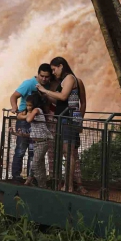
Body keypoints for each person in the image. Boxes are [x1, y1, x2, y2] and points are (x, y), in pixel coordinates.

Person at [37, 57, 87, 193]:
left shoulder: (70, 78)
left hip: (68, 120)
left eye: (54, 69)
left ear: (61, 66)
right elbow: (61, 101)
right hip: (64, 119)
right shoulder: (64, 81)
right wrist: (45, 95)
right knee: (66, 151)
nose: (53, 72)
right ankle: (65, 184)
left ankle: (69, 186)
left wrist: (78, 120)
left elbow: (64, 97)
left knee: (69, 152)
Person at [9, 63, 52, 182]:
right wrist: (14, 107)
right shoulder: (29, 84)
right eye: (42, 76)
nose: (44, 79)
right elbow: (14, 96)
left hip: (37, 122)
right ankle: (16, 176)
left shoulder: (48, 86)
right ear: (38, 74)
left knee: (33, 151)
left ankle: (30, 178)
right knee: (21, 149)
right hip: (24, 120)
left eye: (47, 77)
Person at [10, 93, 53, 188]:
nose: (28, 107)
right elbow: (19, 117)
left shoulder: (37, 110)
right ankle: (43, 185)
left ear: (35, 105)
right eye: (27, 105)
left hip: (43, 142)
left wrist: (27, 114)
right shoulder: (31, 112)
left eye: (30, 105)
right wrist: (15, 133)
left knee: (36, 164)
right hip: (37, 142)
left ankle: (40, 185)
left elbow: (28, 119)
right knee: (40, 165)